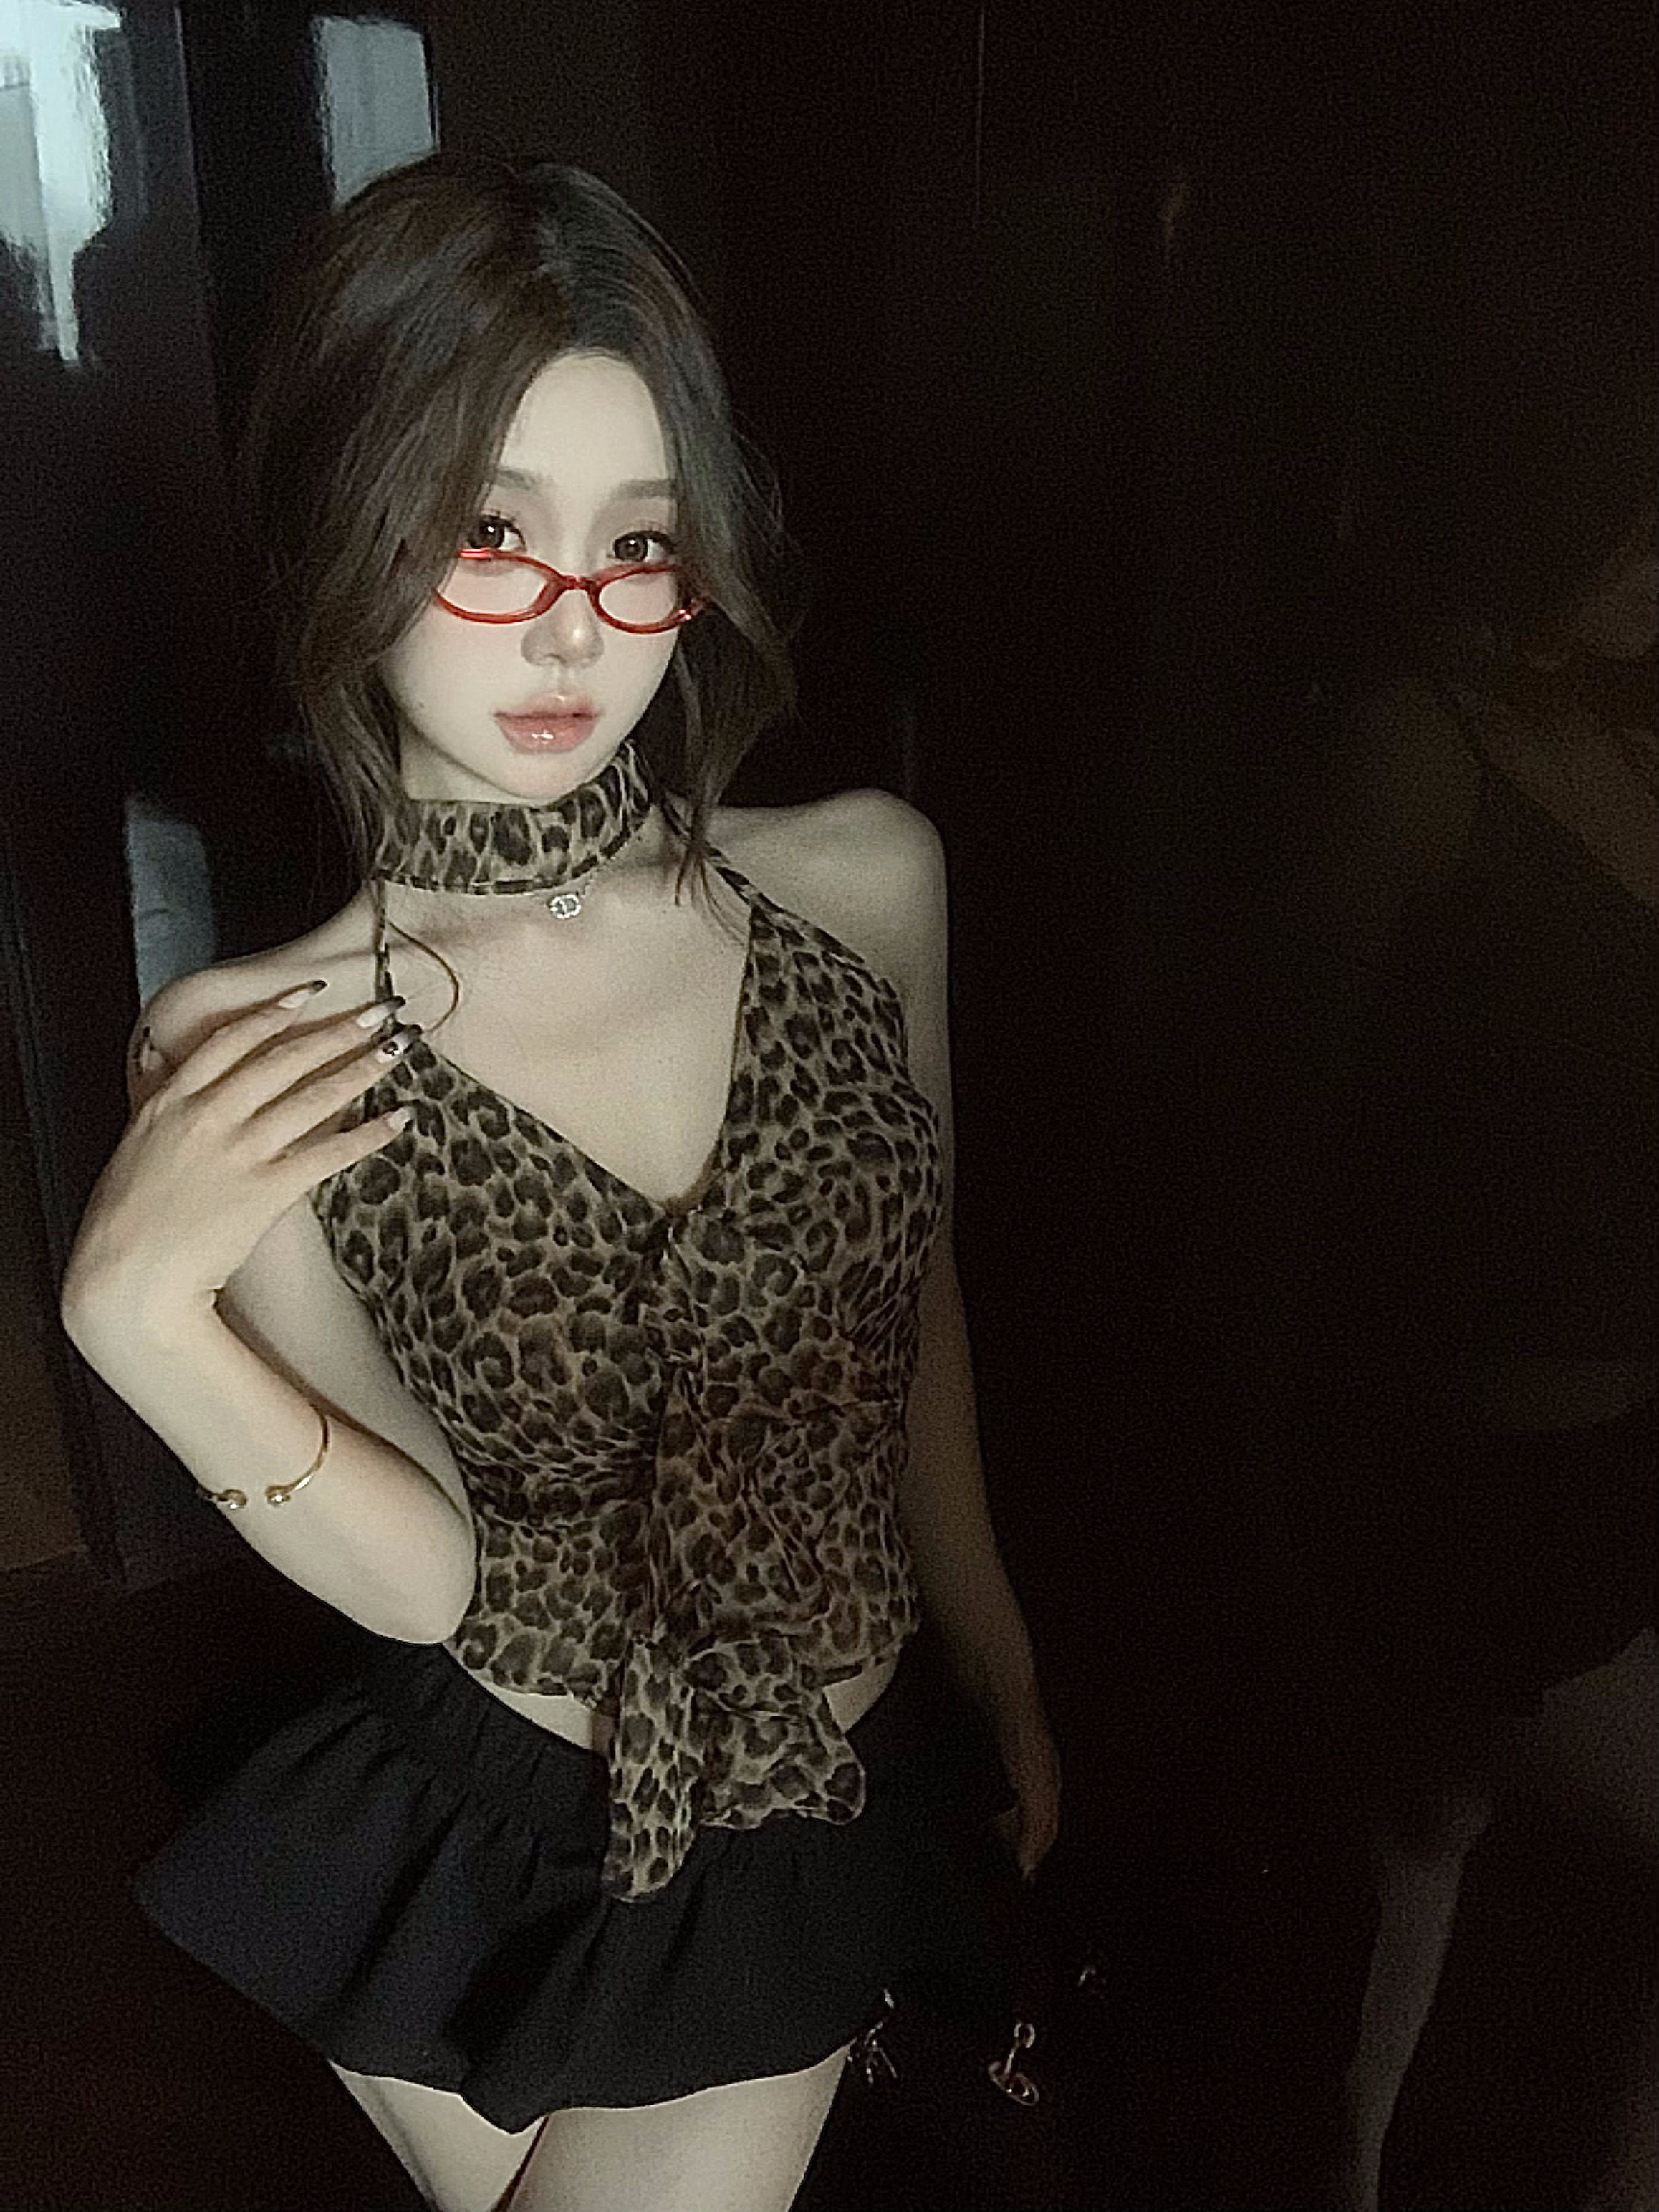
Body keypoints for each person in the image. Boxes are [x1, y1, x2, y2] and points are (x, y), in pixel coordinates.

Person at [59, 153, 1060, 2212]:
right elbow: (439, 1572)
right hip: (501, 1800)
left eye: (638, 543)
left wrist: (995, 1635)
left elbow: (917, 1309)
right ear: (351, 528)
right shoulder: (261, 1035)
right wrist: (137, 1326)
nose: (575, 625)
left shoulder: (866, 885)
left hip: (822, 1772)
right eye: (490, 533)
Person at [1246, 491, 1657, 2212]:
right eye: (1638, 528)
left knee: (1434, 1838)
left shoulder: (1626, 752)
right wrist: (1259, 1443)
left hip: (1613, 1437)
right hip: (1453, 1460)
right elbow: (1273, 1126)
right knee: (1422, 1826)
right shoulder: (1414, 747)